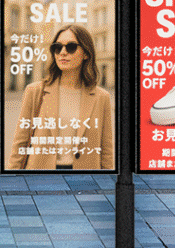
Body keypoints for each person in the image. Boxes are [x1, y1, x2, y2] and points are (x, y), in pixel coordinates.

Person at [7, 24, 115, 171]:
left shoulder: (101, 97)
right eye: (57, 47)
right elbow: (20, 142)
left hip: (86, 178)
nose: (63, 52)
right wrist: (11, 177)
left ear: (86, 53)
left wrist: (107, 180)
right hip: (41, 176)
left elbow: (106, 150)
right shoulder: (35, 91)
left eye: (71, 47)